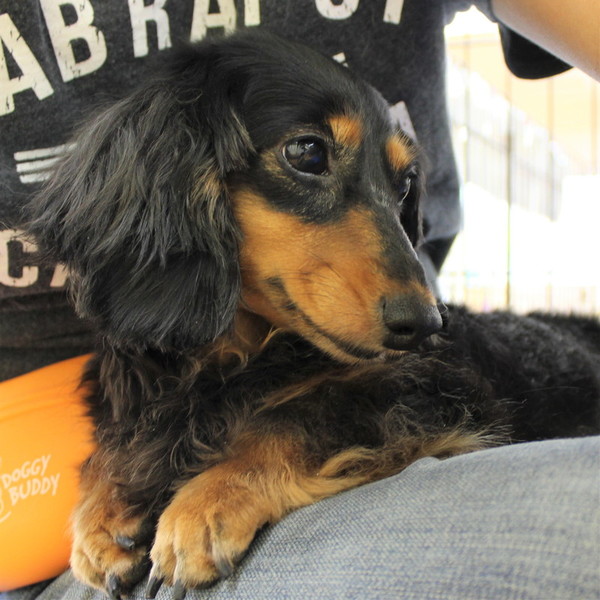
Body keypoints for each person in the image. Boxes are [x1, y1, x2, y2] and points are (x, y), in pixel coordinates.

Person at [0, 0, 599, 598]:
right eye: (308, 156)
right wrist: (110, 476)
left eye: (397, 189)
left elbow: (422, 399)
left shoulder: (363, 360)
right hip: (32, 510)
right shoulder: (140, 347)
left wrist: (265, 466)